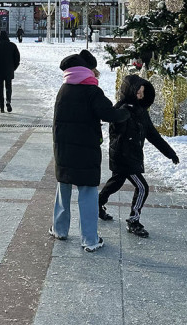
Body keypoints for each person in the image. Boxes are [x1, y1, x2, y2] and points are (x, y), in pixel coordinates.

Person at [49, 49, 128, 253]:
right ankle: (90, 239)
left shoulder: (64, 88)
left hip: (63, 148)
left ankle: (59, 229)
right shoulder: (92, 91)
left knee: (63, 187)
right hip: (85, 150)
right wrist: (126, 112)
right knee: (87, 192)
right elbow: (109, 113)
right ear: (89, 71)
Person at [97, 74, 179, 238]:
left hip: (132, 156)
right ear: (130, 92)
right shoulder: (121, 110)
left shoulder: (141, 112)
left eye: (142, 92)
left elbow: (153, 136)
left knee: (115, 184)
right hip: (124, 157)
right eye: (138, 92)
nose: (141, 96)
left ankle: (96, 204)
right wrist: (123, 117)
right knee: (142, 187)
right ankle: (133, 221)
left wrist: (170, 153)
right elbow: (115, 133)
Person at [0, 30, 20, 114]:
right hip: (9, 70)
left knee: (0, 88)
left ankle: (1, 106)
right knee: (8, 87)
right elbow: (17, 58)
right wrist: (13, 68)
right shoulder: (12, 46)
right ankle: (8, 101)